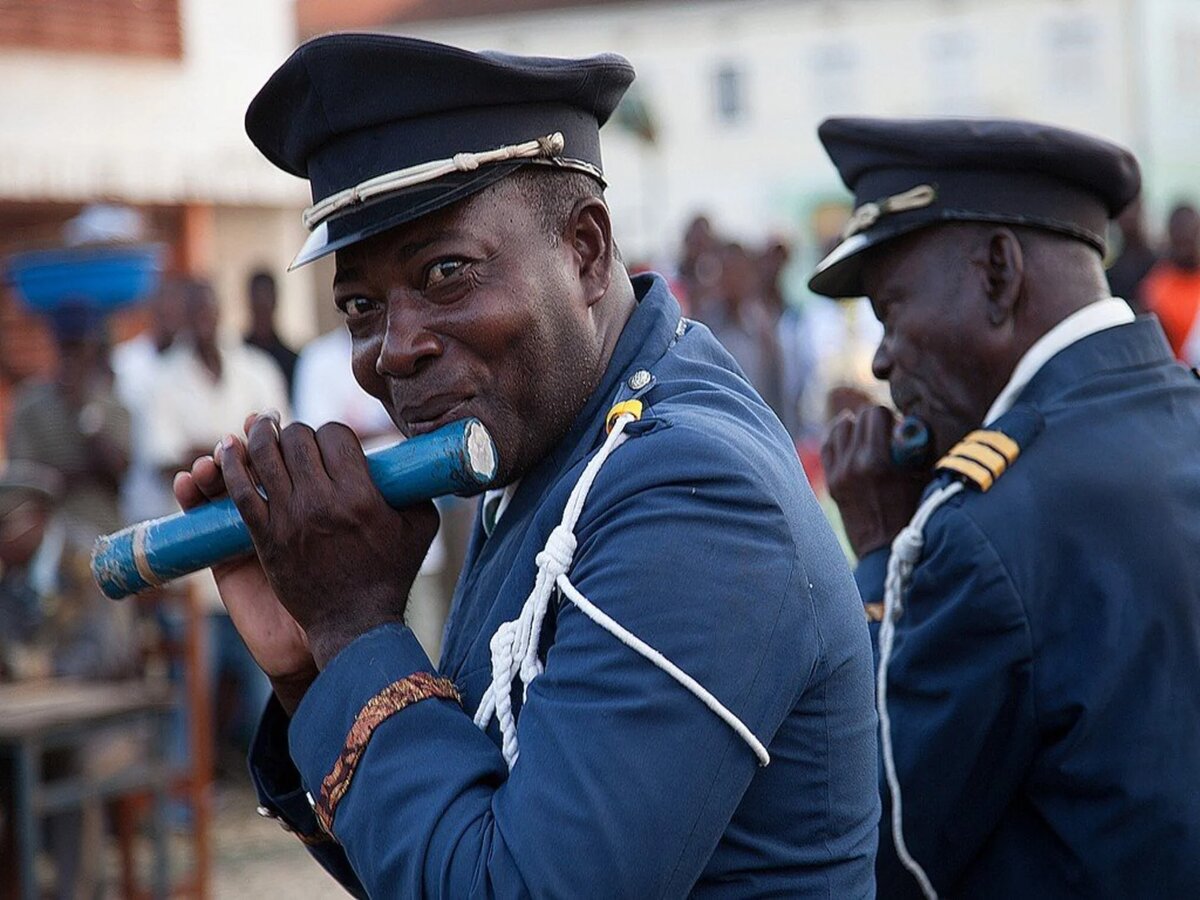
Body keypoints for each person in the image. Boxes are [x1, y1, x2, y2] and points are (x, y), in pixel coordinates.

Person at [171, 34, 879, 897]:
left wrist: (356, 626)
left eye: (445, 273)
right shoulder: (553, 448)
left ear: (584, 250)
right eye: (359, 305)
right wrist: (310, 667)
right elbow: (440, 858)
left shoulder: (694, 499)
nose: (394, 350)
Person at [813, 117, 1200, 897]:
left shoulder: (985, 527)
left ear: (998, 271)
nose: (883, 358)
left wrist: (884, 557)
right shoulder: (1182, 414)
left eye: (892, 310)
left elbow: (880, 852)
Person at [145, 277, 287, 768]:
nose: (203, 320)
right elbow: (168, 462)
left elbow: (278, 446)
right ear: (183, 318)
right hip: (194, 568)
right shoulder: (163, 381)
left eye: (209, 309)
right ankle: (190, 798)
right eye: (193, 312)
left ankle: (270, 788)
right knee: (194, 691)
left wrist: (207, 448)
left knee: (265, 683)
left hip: (256, 550)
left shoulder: (257, 370)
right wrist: (231, 453)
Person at [6, 301, 131, 537]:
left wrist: (84, 411)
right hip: (48, 535)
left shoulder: (110, 401)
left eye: (79, 347)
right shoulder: (31, 404)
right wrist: (83, 473)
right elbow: (25, 481)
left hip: (104, 528)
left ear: (93, 348)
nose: (72, 357)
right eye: (66, 348)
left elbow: (118, 472)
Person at [112, 276, 187, 523]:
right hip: (137, 504)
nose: (169, 315)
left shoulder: (191, 363)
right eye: (163, 307)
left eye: (175, 308)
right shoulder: (125, 362)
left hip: (184, 505)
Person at [1140, 202, 1200, 359]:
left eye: (1189, 241)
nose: (1185, 250)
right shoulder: (1156, 288)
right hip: (1180, 378)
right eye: (1179, 243)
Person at [243, 269, 300, 399]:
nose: (262, 304)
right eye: (258, 299)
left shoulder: (292, 361)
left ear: (275, 301)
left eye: (266, 298)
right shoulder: (236, 357)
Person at [1104, 195, 1158, 314]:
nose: (1128, 216)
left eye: (1132, 209)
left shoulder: (1160, 265)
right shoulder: (1110, 268)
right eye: (1123, 210)